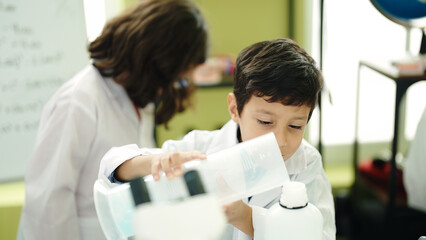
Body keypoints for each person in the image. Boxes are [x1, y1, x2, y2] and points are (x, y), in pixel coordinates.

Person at [99, 38, 336, 240]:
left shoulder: (306, 164)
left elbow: (322, 234)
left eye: (296, 126)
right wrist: (152, 163)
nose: (280, 140)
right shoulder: (200, 148)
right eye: (265, 122)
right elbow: (112, 165)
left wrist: (245, 218)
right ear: (234, 108)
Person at [18, 0, 208, 239]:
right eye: (176, 77)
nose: (171, 88)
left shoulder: (138, 100)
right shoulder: (78, 101)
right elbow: (48, 202)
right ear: (155, 61)